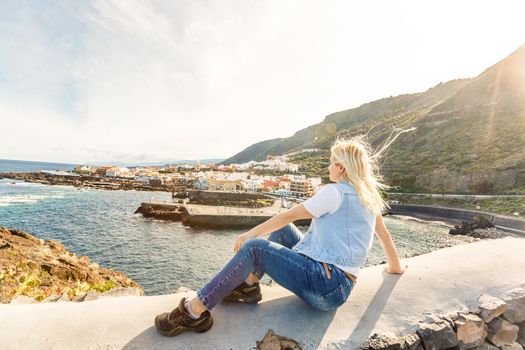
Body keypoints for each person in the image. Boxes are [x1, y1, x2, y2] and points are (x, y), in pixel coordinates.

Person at [154, 134, 408, 337]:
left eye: (331, 162)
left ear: (340, 168)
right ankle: (250, 285)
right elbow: (383, 235)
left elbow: (289, 214)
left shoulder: (335, 192)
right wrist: (395, 268)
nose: (328, 166)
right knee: (282, 231)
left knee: (254, 247)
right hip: (342, 286)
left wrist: (249, 234)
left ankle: (194, 311)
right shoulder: (369, 196)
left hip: (324, 284)